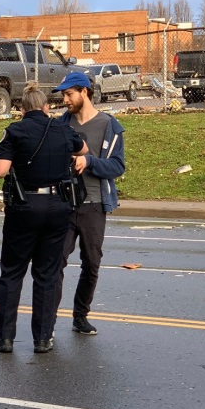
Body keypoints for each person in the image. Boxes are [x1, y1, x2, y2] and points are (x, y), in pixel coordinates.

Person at [0, 81, 88, 354]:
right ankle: (43, 338)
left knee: (12, 273)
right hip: (58, 205)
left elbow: (0, 170)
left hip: (24, 206)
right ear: (46, 107)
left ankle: (6, 338)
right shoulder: (61, 128)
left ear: (22, 108)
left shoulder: (15, 131)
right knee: (46, 274)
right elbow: (83, 150)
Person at [51, 72, 126, 336]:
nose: (65, 99)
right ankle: (48, 320)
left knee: (91, 262)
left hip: (94, 204)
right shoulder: (62, 124)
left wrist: (89, 161)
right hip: (65, 204)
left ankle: (80, 316)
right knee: (56, 261)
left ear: (84, 92)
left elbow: (117, 166)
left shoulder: (109, 126)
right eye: (63, 95)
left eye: (69, 94)